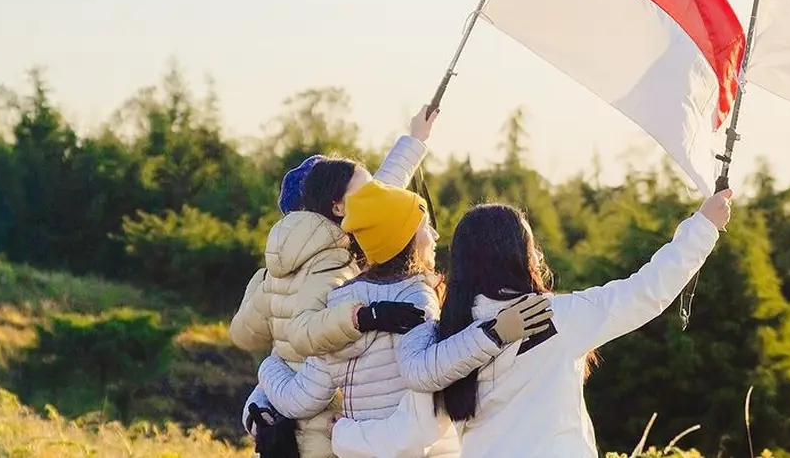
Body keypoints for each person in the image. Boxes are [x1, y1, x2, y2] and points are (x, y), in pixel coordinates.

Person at [333, 188, 733, 458]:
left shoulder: (443, 331)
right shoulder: (553, 316)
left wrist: (337, 433)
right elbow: (647, 290)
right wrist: (702, 227)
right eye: (530, 242)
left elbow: (414, 409)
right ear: (518, 254)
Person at [257, 179, 553, 458]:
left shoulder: (338, 310)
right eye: (425, 228)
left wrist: (269, 365)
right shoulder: (419, 301)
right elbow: (428, 388)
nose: (435, 235)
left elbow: (301, 398)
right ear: (405, 238)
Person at [230, 107, 443, 458]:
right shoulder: (336, 263)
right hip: (321, 423)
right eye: (364, 191)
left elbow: (243, 333)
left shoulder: (280, 264)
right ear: (339, 207)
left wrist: (414, 139)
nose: (374, 194)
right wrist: (365, 317)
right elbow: (307, 335)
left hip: (283, 410)